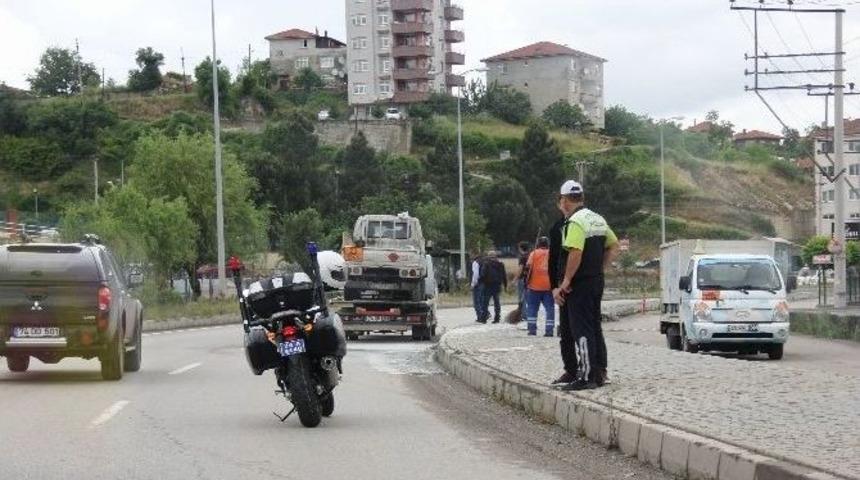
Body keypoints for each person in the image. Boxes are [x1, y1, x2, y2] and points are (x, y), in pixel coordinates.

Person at [553, 180, 619, 391]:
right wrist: (600, 267)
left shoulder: (575, 222)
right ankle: (600, 372)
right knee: (594, 327)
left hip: (580, 284)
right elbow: (614, 245)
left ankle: (587, 376)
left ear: (564, 201)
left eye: (561, 200)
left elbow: (575, 252)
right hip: (596, 281)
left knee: (580, 329)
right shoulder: (598, 219)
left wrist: (566, 281)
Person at [549, 201, 576, 385]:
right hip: (562, 286)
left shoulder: (582, 223)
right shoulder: (557, 228)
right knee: (566, 331)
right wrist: (554, 286)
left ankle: (596, 370)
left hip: (579, 284)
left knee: (586, 330)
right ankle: (571, 370)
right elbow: (553, 260)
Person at [525, 237, 554, 337]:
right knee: (550, 309)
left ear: (538, 244)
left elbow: (528, 266)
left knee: (532, 308)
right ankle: (549, 331)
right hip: (549, 286)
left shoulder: (534, 253)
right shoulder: (552, 253)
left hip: (534, 286)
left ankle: (532, 330)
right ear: (548, 244)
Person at [480, 251, 507, 323]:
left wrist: (482, 282)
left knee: (485, 302)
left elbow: (482, 274)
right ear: (495, 256)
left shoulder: (486, 264)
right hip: (497, 285)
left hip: (488, 285)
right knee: (497, 302)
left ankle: (484, 318)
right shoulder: (501, 264)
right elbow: (504, 275)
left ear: (488, 256)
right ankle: (497, 318)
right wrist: (505, 285)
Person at [470, 252, 486, 323]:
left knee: (477, 301)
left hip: (478, 284)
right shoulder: (484, 261)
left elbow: (475, 274)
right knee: (482, 300)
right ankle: (485, 314)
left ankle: (480, 317)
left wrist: (473, 284)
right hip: (484, 283)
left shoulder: (475, 262)